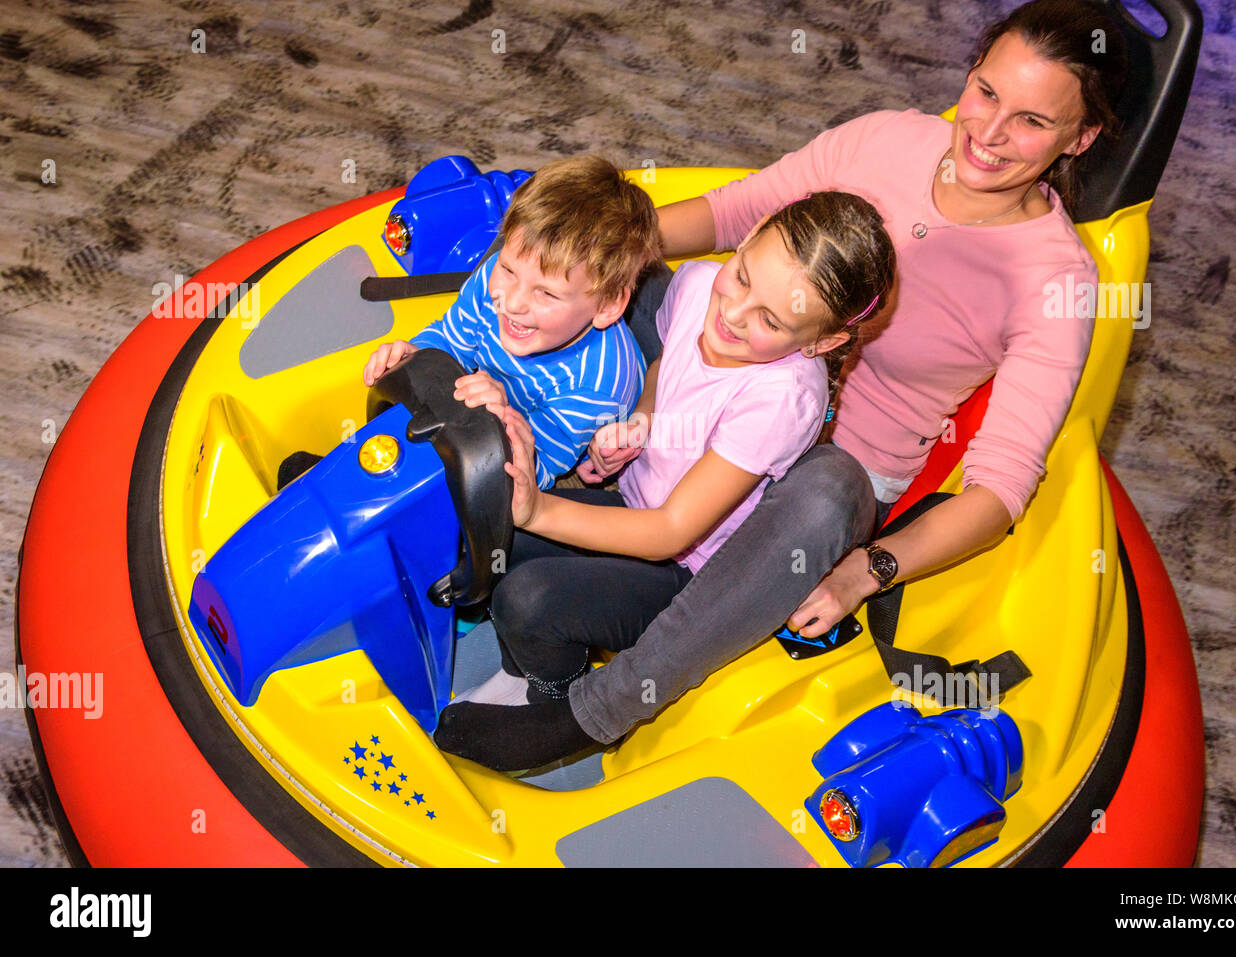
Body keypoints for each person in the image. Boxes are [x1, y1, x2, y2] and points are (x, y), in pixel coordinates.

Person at [435, 0, 1128, 771]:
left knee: (828, 486)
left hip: (824, 473)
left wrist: (867, 569)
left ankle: (599, 709)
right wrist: (579, 254)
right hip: (715, 395)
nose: (990, 133)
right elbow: (738, 211)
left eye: (1032, 121)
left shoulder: (1053, 280)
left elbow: (1000, 490)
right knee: (649, 288)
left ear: (1081, 138)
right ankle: (440, 449)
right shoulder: (890, 139)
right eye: (986, 91)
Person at [433, 192, 896, 768]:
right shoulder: (700, 284)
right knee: (477, 525)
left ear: (821, 342)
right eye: (743, 276)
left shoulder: (783, 398)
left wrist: (538, 513)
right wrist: (643, 420)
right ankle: (515, 661)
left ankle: (550, 689)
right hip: (630, 502)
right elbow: (664, 362)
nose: (733, 314)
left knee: (529, 598)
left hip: (682, 569)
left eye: (771, 320)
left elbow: (672, 532)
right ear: (743, 243)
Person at [360, 153, 660, 488]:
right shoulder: (493, 279)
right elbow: (449, 339)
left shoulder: (594, 386)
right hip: (487, 403)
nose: (512, 302)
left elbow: (539, 473)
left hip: (556, 458)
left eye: (546, 294)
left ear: (606, 307)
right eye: (508, 269)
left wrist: (503, 420)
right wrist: (415, 354)